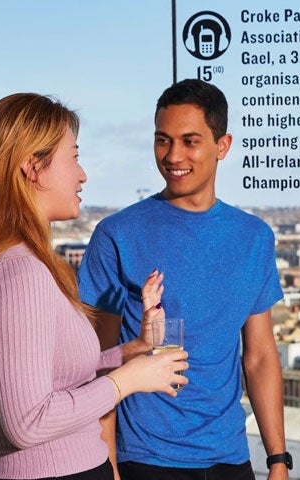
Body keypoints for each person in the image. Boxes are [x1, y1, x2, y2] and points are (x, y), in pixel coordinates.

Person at [0, 93, 189, 480]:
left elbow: (57, 376)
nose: (82, 174)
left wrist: (135, 349)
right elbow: (27, 423)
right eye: (73, 157)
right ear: (33, 168)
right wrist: (127, 381)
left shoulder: (24, 263)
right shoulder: (18, 274)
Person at [77, 79, 289, 480]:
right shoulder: (117, 234)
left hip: (230, 456)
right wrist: (109, 467)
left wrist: (277, 459)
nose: (173, 156)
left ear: (222, 146)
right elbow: (99, 362)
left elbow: (260, 356)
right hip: (145, 458)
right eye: (163, 140)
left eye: (190, 141)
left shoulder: (254, 237)